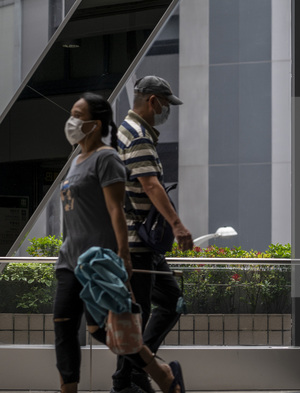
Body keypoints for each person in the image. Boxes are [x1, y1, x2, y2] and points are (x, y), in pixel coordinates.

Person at [54, 92, 185, 393]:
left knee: (105, 330)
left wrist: (123, 255)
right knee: (63, 327)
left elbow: (116, 210)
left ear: (95, 124)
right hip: (69, 260)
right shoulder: (76, 160)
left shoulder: (107, 158)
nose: (71, 121)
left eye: (78, 115)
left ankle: (159, 371)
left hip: (98, 260)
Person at [113, 76, 194, 393]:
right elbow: (150, 184)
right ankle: (129, 377)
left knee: (168, 302)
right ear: (153, 101)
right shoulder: (139, 137)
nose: (166, 111)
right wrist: (177, 224)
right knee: (148, 310)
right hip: (137, 243)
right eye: (165, 104)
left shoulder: (125, 132)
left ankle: (132, 375)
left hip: (142, 243)